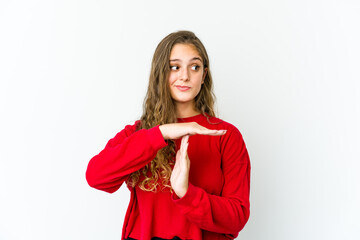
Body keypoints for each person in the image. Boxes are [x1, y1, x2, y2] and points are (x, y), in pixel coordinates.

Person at [86, 30, 251, 240]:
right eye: (175, 67)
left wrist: (186, 193)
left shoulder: (225, 136)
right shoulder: (140, 133)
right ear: (160, 73)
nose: (185, 76)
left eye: (195, 67)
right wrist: (161, 132)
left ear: (204, 76)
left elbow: (237, 217)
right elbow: (96, 176)